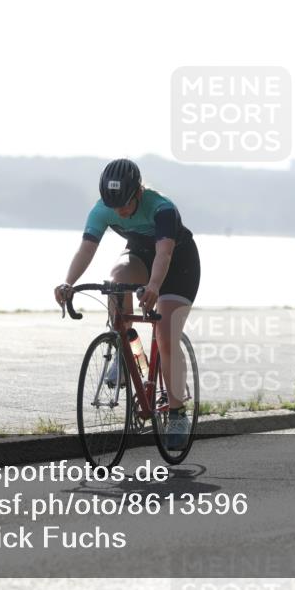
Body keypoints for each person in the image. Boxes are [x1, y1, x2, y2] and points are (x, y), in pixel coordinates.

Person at [54, 159, 200, 450]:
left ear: (139, 192)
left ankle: (177, 411)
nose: (119, 211)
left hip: (178, 266)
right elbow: (87, 248)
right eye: (114, 206)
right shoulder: (102, 208)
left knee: (165, 334)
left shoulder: (162, 208)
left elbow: (164, 255)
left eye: (125, 205)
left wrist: (155, 287)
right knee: (116, 279)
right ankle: (123, 346)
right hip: (140, 258)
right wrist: (68, 282)